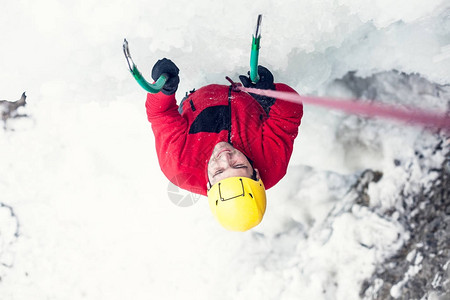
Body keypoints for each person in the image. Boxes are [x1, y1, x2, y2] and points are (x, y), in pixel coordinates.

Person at [145, 58, 303, 231]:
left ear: (208, 186)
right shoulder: (272, 163)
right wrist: (269, 94)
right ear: (256, 174)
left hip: (198, 98)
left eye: (218, 171)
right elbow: (289, 115)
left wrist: (164, 90)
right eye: (238, 164)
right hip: (247, 94)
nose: (225, 157)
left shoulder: (179, 164)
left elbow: (161, 115)